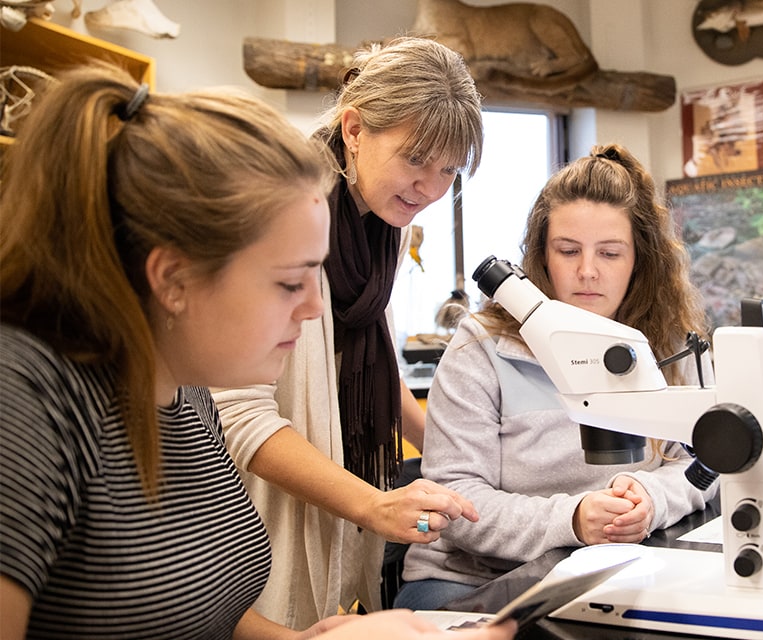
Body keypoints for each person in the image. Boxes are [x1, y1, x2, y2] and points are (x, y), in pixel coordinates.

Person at [0, 63, 514, 640]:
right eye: (290, 282)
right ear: (172, 279)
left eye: (447, 170)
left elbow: (196, 602)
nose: (316, 310)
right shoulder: (28, 403)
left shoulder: (189, 397)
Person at [209, 35, 487, 626]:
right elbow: (238, 412)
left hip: (340, 485)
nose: (431, 188)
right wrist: (372, 505)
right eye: (416, 159)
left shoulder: (386, 228)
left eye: (448, 169)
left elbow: (373, 361)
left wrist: (457, 453)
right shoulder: (279, 209)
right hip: (245, 511)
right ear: (355, 129)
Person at [395, 143, 720, 610]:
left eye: (610, 253)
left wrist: (650, 499)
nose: (587, 271)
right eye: (568, 251)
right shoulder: (481, 347)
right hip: (473, 577)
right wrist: (573, 519)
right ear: (541, 256)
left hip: (619, 563)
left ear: (640, 261)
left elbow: (700, 464)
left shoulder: (667, 343)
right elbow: (456, 500)